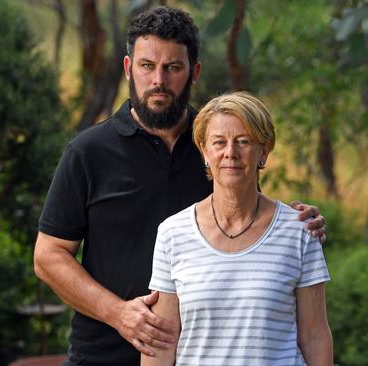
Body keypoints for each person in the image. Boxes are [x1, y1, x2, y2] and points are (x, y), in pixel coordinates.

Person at [33, 6, 327, 366]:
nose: (159, 79)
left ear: (194, 72)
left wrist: (296, 222)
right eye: (147, 66)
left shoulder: (218, 145)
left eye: (173, 67)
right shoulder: (88, 152)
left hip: (197, 353)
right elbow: (48, 257)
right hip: (101, 354)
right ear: (128, 69)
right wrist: (120, 314)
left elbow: (253, 218)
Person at [142, 91, 332, 366]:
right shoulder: (173, 233)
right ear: (204, 151)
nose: (230, 152)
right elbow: (161, 342)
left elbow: (315, 336)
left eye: (243, 141)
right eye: (219, 142)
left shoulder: (300, 231)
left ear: (263, 151)